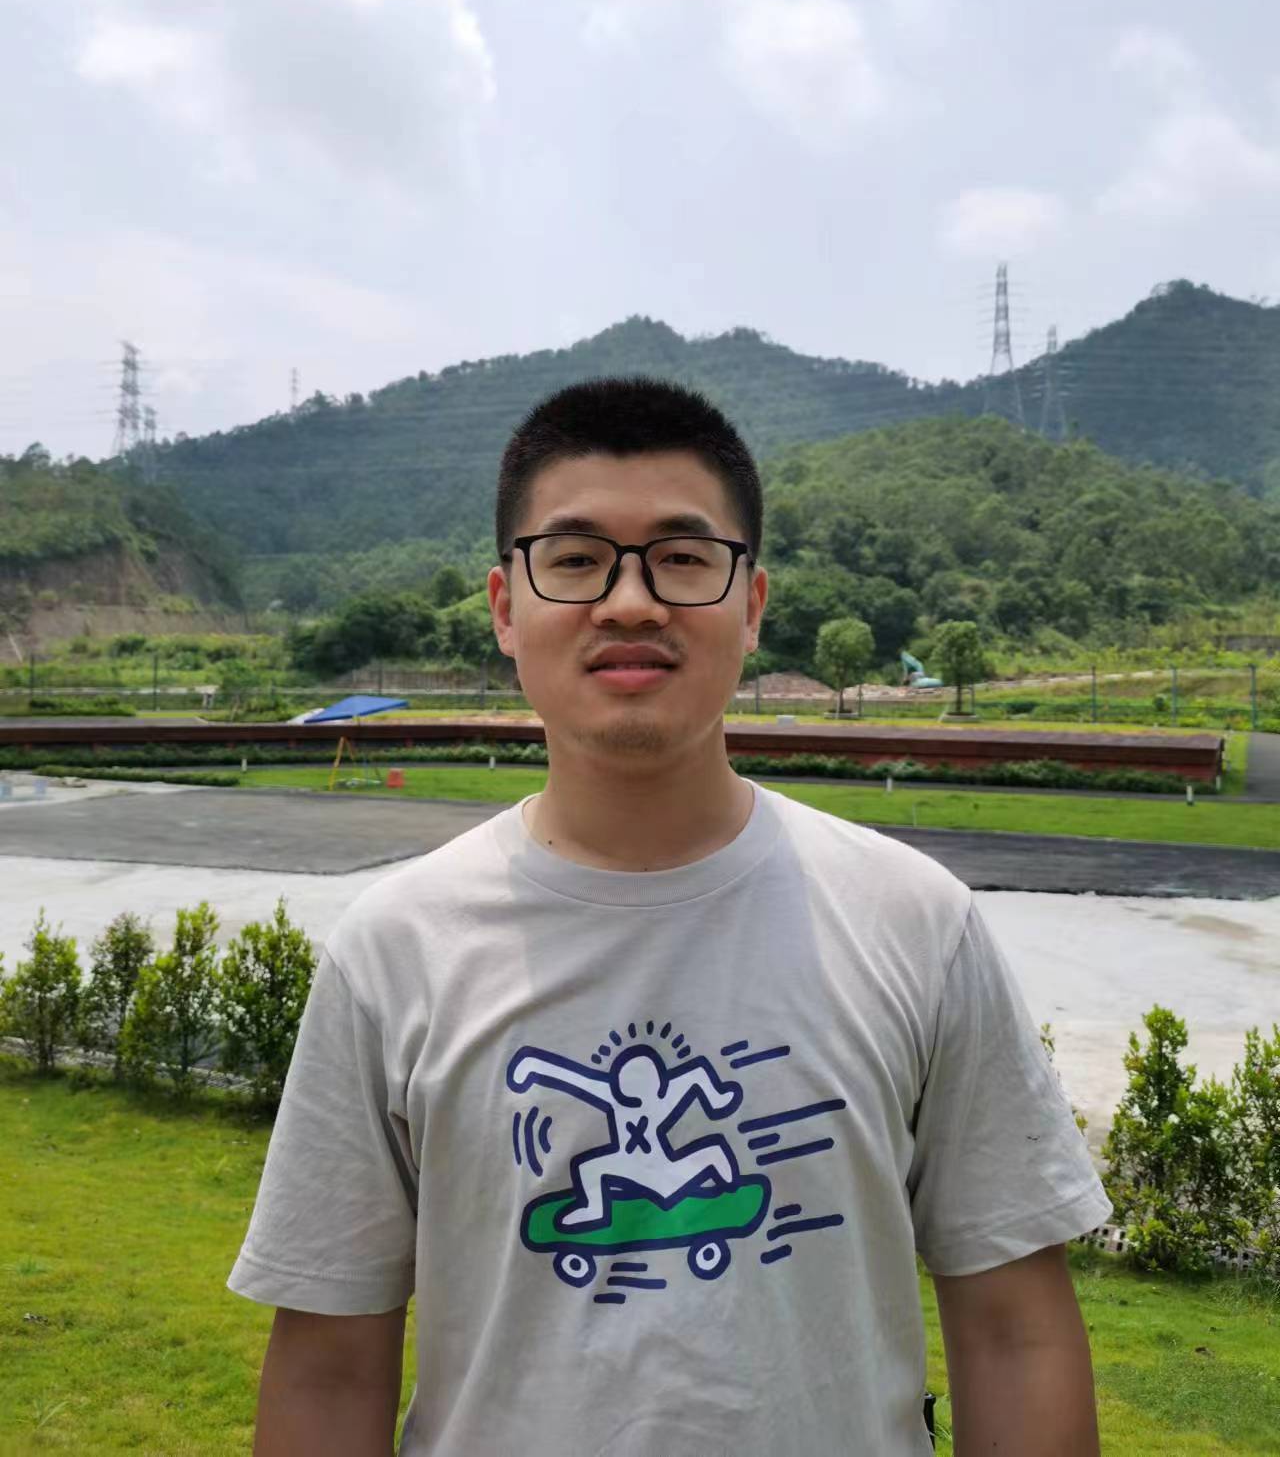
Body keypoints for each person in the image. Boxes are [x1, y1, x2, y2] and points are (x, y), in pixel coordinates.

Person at [229, 376, 1109, 1456]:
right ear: (505, 606)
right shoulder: (393, 950)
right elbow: (327, 1364)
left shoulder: (916, 922)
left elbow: (1015, 1329)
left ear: (752, 603)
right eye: (575, 558)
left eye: (683, 558)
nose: (631, 601)